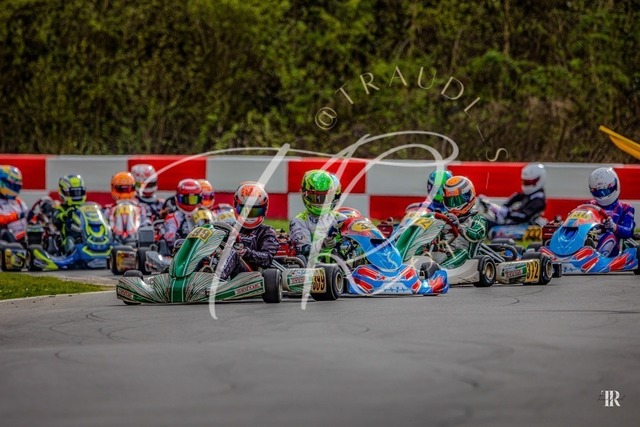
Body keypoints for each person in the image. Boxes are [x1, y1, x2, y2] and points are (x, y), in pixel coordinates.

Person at [219, 181, 278, 279]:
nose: (249, 216)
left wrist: (246, 253)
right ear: (236, 206)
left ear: (264, 209)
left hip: (249, 276)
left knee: (232, 252)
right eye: (245, 211)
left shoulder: (266, 232)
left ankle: (215, 280)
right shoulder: (228, 228)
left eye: (255, 211)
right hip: (223, 269)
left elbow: (267, 258)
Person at [432, 176, 488, 268]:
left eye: (457, 200)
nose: (453, 206)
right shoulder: (445, 217)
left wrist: (459, 227)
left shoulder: (478, 219)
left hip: (467, 260)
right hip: (445, 254)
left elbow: (476, 235)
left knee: (462, 252)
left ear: (469, 196)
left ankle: (441, 270)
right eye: (450, 201)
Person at [289, 170, 346, 259]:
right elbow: (302, 250)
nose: (320, 202)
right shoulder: (299, 221)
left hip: (340, 262)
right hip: (314, 264)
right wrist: (321, 244)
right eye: (315, 197)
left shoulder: (339, 218)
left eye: (325, 198)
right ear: (305, 194)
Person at [587, 167, 635, 257]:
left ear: (614, 186)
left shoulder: (625, 208)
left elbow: (628, 231)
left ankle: (595, 255)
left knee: (609, 235)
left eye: (605, 191)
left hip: (612, 244)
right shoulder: (589, 205)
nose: (602, 195)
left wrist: (614, 227)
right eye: (598, 192)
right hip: (590, 237)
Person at [479, 163, 547, 225]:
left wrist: (508, 213)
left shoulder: (538, 199)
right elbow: (514, 198)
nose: (526, 185)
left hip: (525, 227)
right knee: (484, 221)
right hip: (516, 224)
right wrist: (502, 209)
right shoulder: (527, 195)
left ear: (538, 181)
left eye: (529, 182)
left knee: (487, 225)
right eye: (525, 182)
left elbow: (524, 216)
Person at [52, 174, 88, 254]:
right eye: (73, 192)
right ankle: (72, 254)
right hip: (70, 239)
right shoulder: (60, 208)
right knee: (70, 240)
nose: (77, 195)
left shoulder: (86, 208)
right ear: (63, 192)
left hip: (87, 237)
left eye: (79, 192)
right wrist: (66, 215)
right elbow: (56, 219)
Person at [163, 179, 202, 250]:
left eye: (193, 199)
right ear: (179, 198)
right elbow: (169, 238)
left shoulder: (203, 214)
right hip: (181, 250)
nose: (190, 203)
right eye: (187, 199)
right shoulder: (174, 217)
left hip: (202, 248)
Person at [0, 165, 28, 242]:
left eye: (17, 186)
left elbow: (27, 214)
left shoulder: (18, 202)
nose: (15, 188)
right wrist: (17, 216)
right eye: (13, 185)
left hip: (24, 236)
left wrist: (35, 217)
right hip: (7, 241)